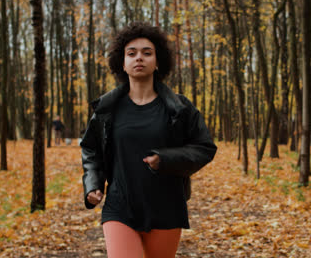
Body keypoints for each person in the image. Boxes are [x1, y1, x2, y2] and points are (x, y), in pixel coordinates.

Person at [80, 22, 217, 258]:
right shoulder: (107, 109)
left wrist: (166, 159)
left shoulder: (180, 108)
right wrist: (92, 183)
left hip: (166, 206)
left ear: (157, 61)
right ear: (122, 63)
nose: (139, 58)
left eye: (147, 53)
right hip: (119, 206)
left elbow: (204, 147)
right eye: (131, 53)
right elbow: (90, 148)